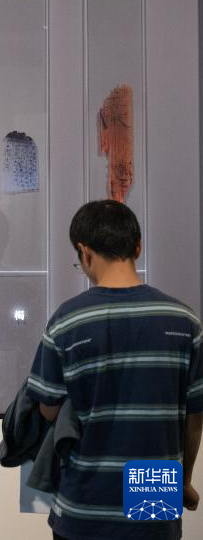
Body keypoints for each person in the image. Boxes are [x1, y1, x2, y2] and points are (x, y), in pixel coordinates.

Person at [26, 199, 203, 540]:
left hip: (85, 502)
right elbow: (194, 417)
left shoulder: (68, 320)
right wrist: (184, 482)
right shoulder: (184, 321)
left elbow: (48, 408)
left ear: (84, 252)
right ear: (138, 247)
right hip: (154, 493)